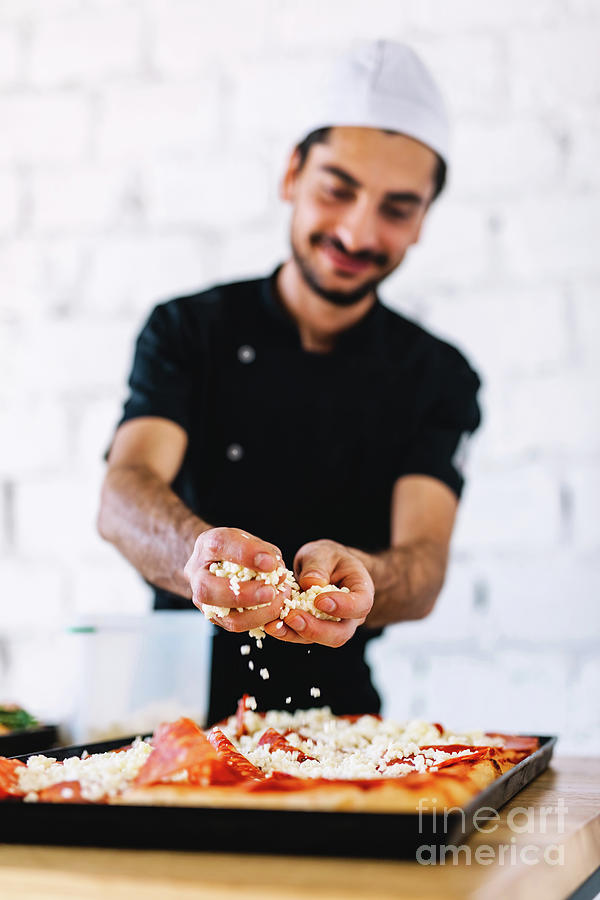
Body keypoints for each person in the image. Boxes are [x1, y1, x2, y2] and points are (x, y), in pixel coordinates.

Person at [98, 41, 481, 725]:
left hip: (342, 724)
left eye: (397, 208)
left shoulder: (439, 376)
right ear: (292, 175)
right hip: (168, 709)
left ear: (422, 220)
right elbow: (122, 494)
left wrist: (366, 584)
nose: (358, 232)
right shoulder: (188, 329)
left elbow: (422, 566)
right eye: (338, 189)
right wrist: (198, 554)